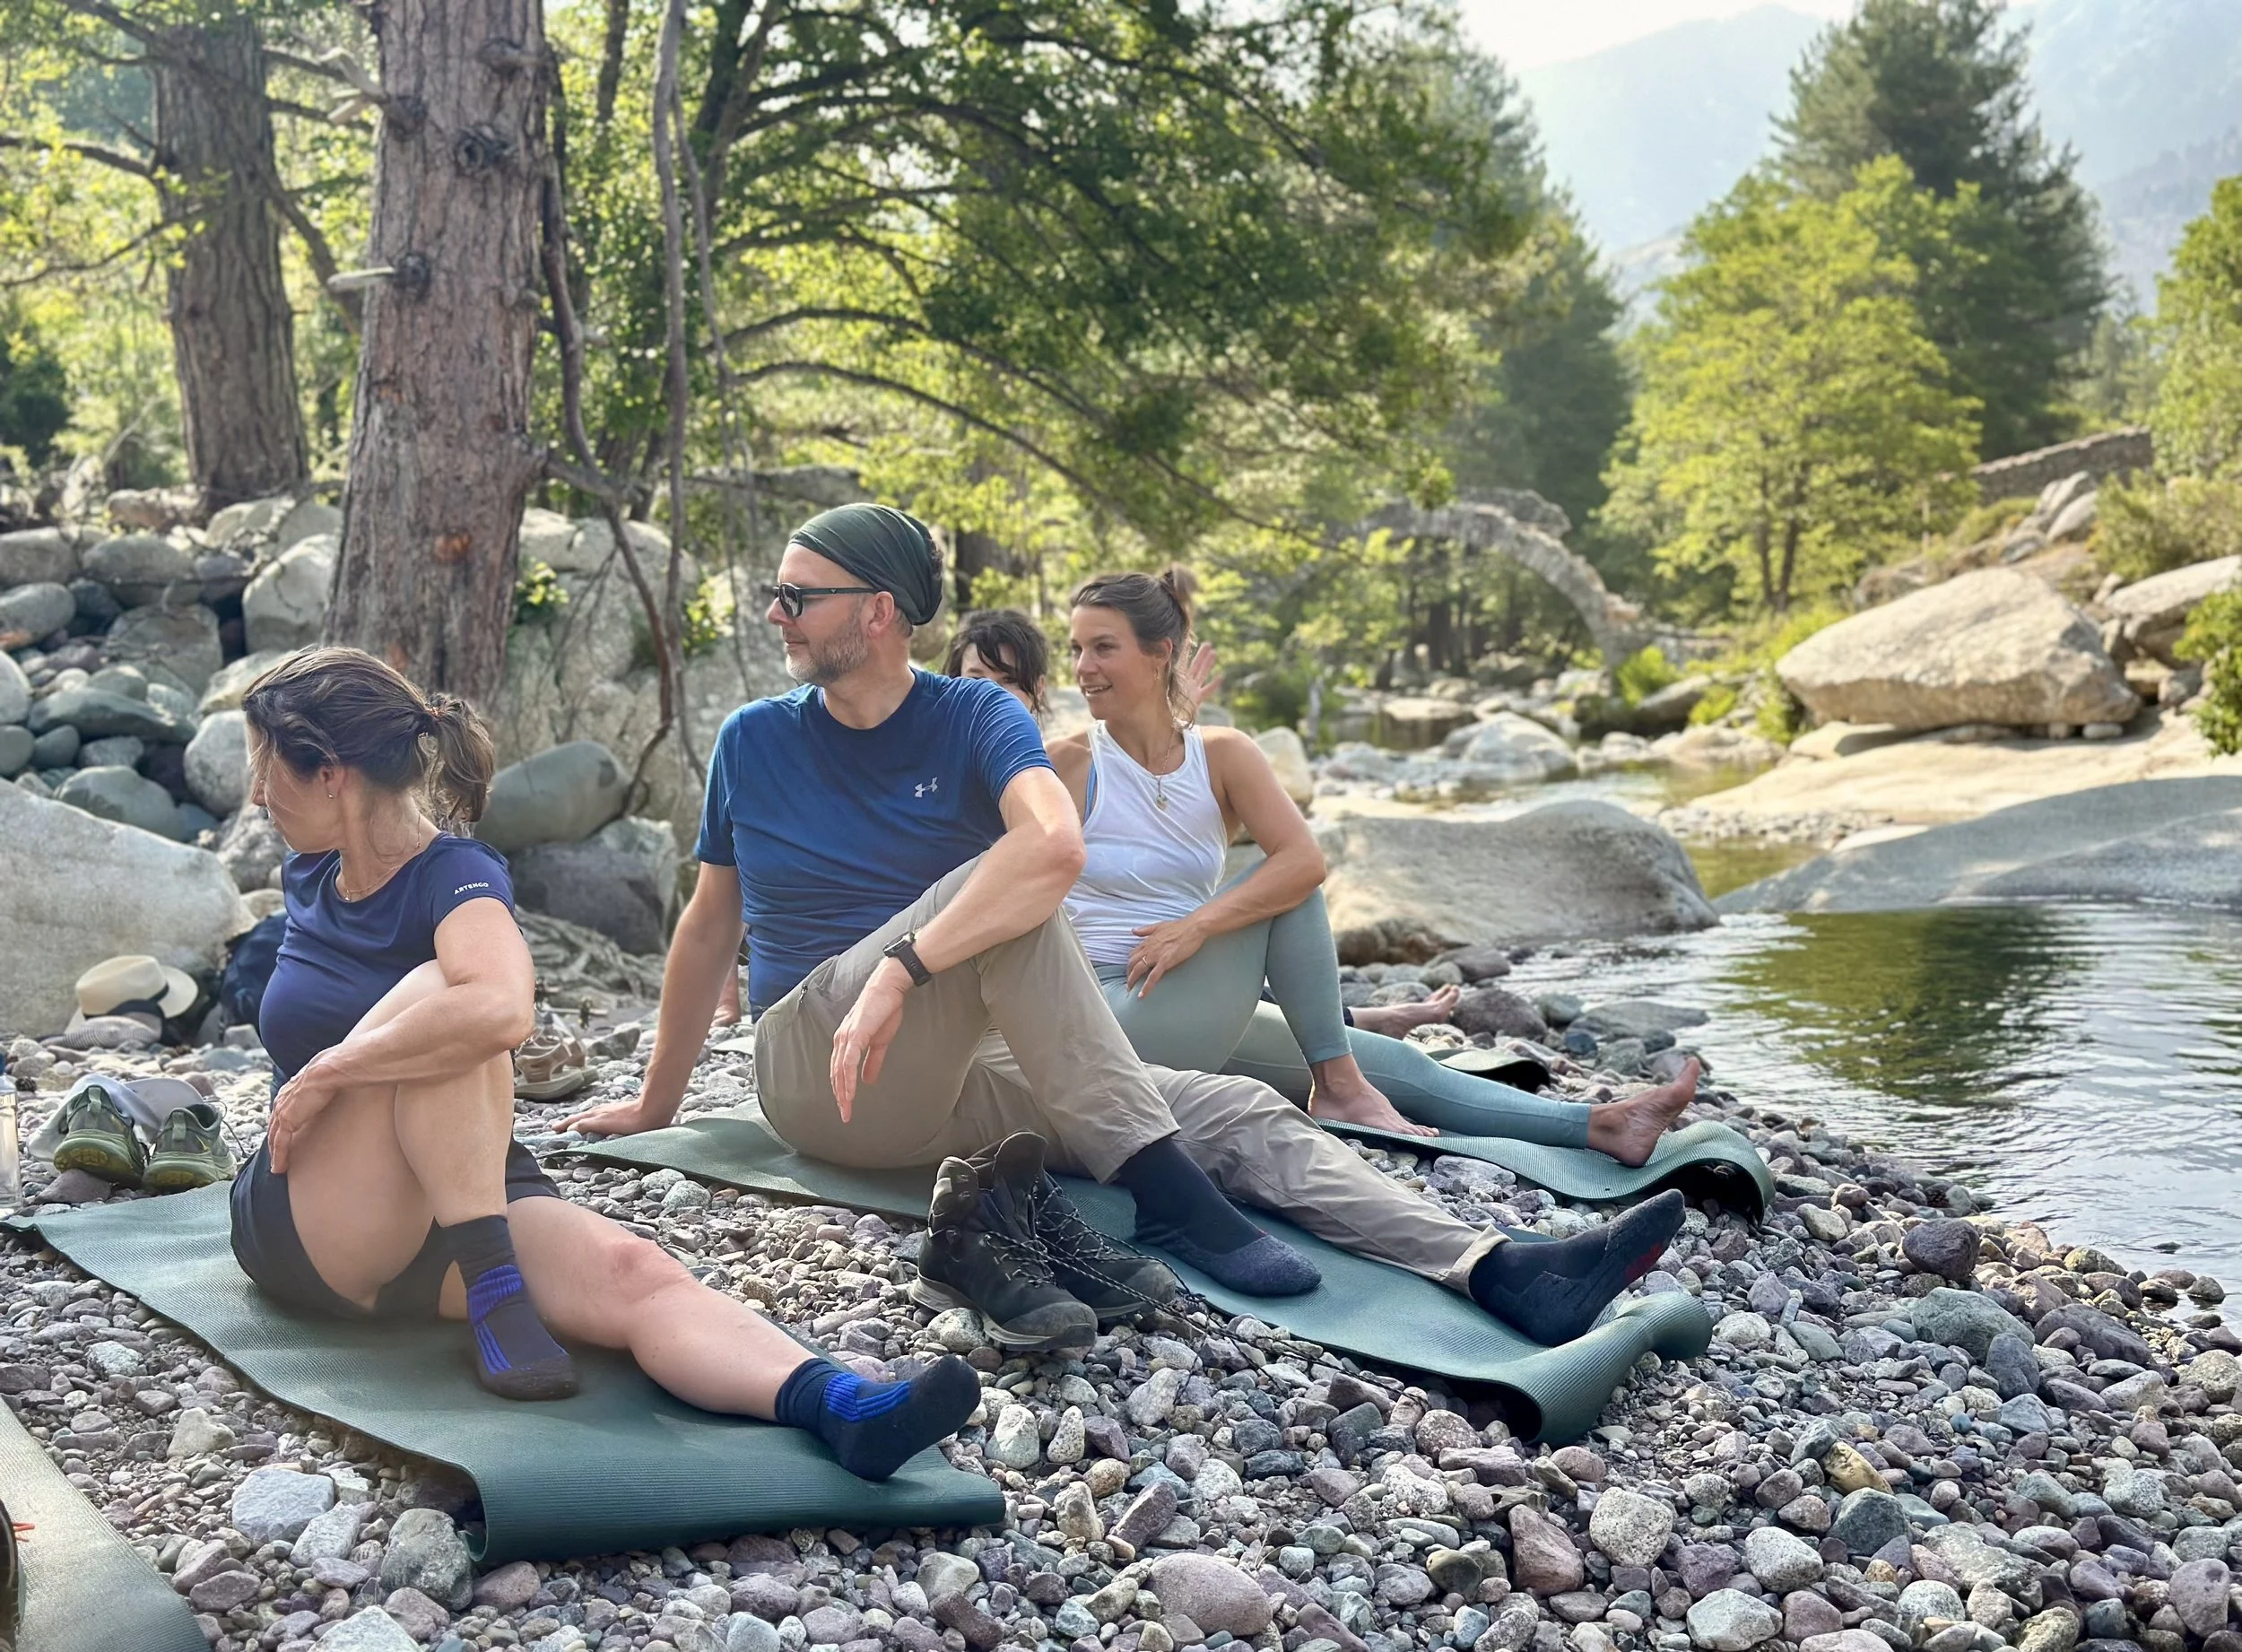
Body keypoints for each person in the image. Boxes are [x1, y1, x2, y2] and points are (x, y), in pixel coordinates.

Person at [568, 504, 1688, 1352]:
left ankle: (1496, 1270)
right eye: (776, 591)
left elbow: (1055, 845)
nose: (773, 611)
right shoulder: (756, 740)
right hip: (820, 1070)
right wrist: (659, 1101)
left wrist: (909, 968)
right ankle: (1171, 1200)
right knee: (1001, 910)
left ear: (879, 612)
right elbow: (710, 925)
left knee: (1239, 1104)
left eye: (796, 594)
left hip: (954, 1072)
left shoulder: (972, 720)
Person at [228, 648, 977, 1481]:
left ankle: (836, 1404)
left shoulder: (457, 874)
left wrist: (332, 1065)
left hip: (461, 1196)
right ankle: (493, 1282)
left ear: (331, 772)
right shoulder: (310, 872)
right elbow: (480, 1008)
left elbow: (506, 1010)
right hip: (314, 1210)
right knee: (443, 993)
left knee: (634, 1268)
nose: (258, 793)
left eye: (266, 765)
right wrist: (341, 1077)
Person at [1047, 568, 1700, 1160]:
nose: (1083, 666)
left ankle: (1600, 1124)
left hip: (1189, 995)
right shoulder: (1067, 763)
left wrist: (1195, 927)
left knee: (1394, 1065)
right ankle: (1336, 1088)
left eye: (1103, 647)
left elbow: (1305, 858)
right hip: (1107, 1017)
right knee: (1289, 891)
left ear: (1160, 653)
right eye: (1076, 648)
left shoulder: (1221, 756)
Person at [938, 613, 1456, 1040]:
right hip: (1081, 1003)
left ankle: (1353, 1033)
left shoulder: (1050, 764)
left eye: (1008, 681)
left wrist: (1159, 725)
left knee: (1399, 1068)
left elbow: (1172, 851)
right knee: (1286, 892)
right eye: (976, 681)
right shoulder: (1001, 774)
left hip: (1170, 982)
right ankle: (1351, 1041)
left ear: (1037, 692)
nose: (994, 696)